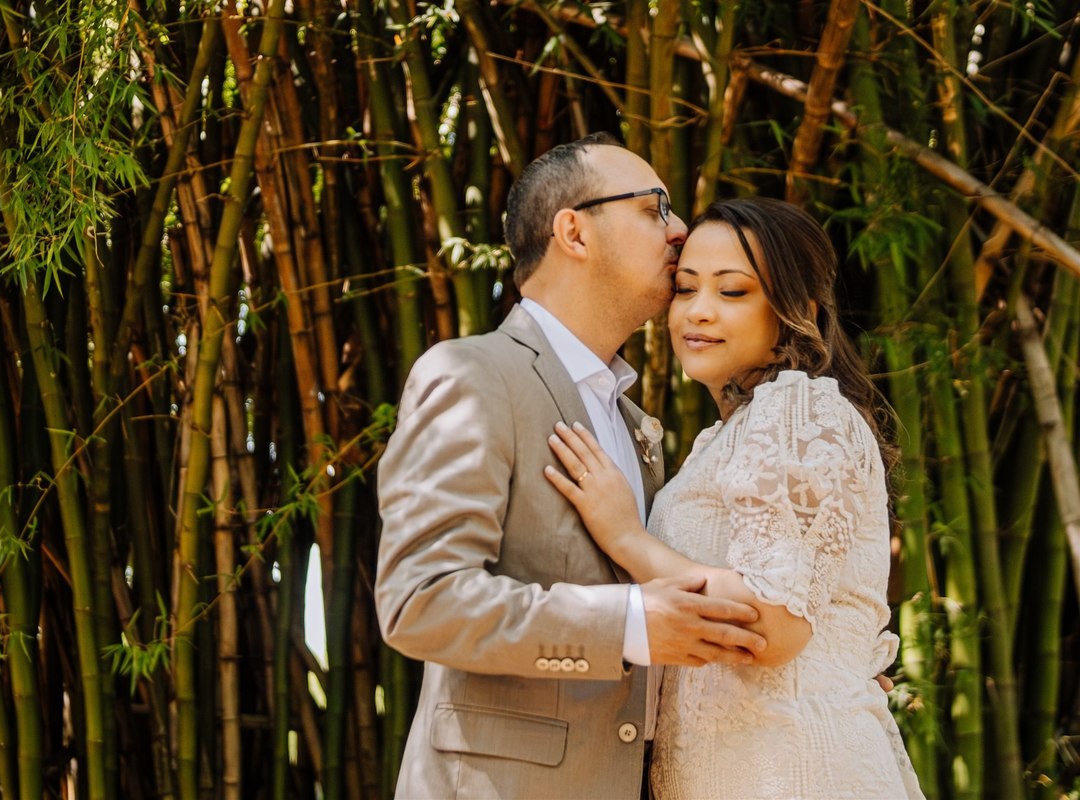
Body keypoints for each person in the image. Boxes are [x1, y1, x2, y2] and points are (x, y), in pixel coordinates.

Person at [373, 134, 769, 799]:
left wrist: (810, 672)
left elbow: (675, 625)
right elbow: (422, 601)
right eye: (653, 208)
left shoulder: (637, 424)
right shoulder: (473, 375)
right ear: (574, 232)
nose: (679, 230)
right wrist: (628, 623)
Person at [544, 197, 925, 799]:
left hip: (795, 774)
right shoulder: (729, 435)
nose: (698, 311)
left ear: (797, 311)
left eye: (732, 291)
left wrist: (625, 536)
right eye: (686, 288)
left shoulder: (798, 408)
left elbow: (771, 623)